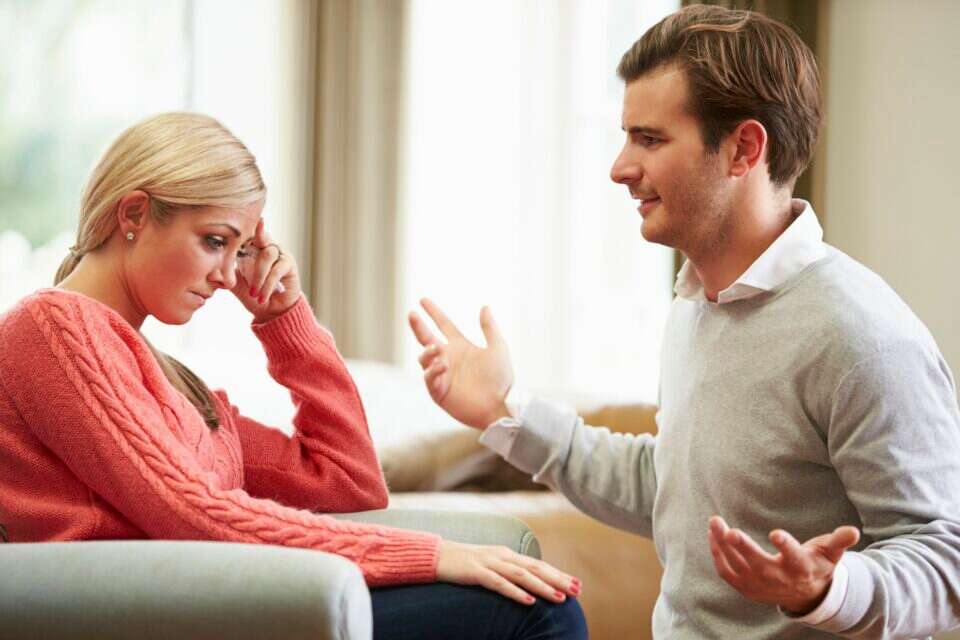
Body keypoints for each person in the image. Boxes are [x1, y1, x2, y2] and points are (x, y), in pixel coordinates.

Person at [408, 5, 960, 638]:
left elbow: (946, 556)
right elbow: (674, 487)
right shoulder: (696, 302)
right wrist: (506, 410)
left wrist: (831, 589)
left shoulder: (861, 335)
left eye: (650, 139)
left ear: (743, 149)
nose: (619, 167)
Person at [0, 112, 587, 640]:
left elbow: (350, 484)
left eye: (240, 252)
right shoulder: (52, 327)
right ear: (133, 214)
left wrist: (284, 319)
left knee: (538, 603)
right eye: (214, 242)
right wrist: (431, 555)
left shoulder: (172, 382)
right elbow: (190, 512)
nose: (229, 276)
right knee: (535, 613)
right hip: (152, 614)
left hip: (218, 603)